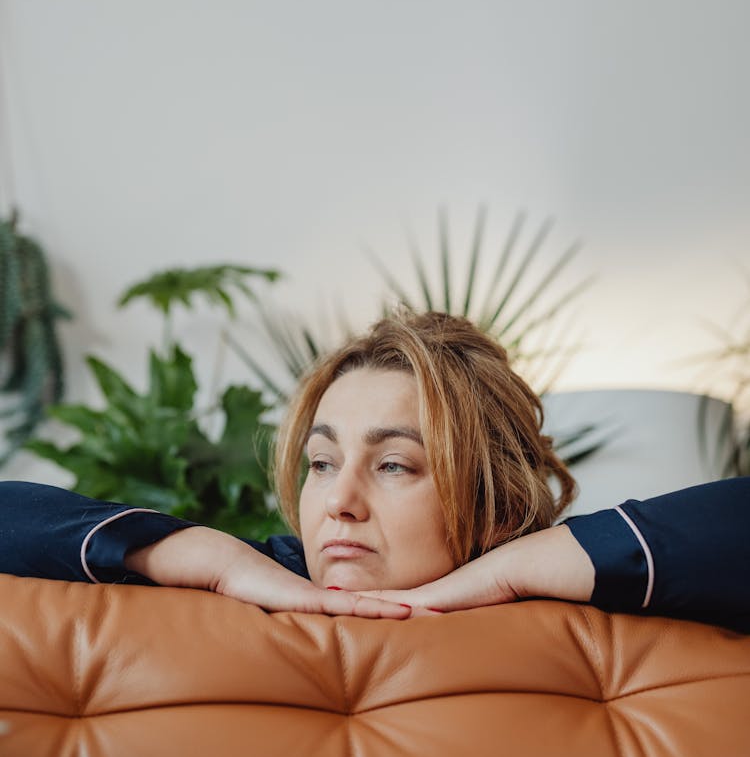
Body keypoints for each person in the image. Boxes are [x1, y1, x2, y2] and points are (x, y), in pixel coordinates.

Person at [1, 310, 749, 631]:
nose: (339, 502)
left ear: (492, 507)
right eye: (321, 462)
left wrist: (511, 570)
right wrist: (205, 553)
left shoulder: (570, 591)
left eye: (393, 464)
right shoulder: (272, 573)